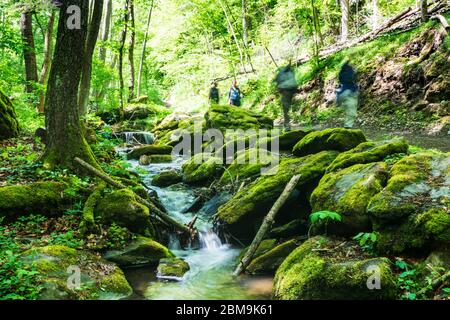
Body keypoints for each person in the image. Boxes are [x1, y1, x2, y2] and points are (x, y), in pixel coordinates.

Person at [275, 62, 297, 131]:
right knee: (287, 108)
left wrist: (279, 88)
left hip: (286, 91)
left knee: (285, 109)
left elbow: (278, 82)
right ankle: (287, 124)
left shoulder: (282, 73)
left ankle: (287, 126)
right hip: (292, 90)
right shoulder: (290, 73)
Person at [336, 61, 359, 129]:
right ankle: (347, 127)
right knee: (351, 113)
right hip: (349, 92)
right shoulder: (350, 71)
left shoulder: (342, 72)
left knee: (349, 110)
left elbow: (342, 79)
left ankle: (347, 126)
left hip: (341, 92)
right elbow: (353, 77)